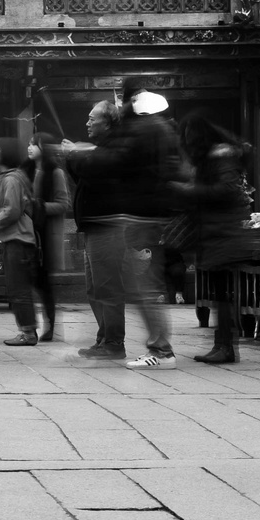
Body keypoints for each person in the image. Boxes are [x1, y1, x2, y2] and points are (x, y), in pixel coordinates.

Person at [62, 96, 179, 365]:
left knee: (115, 288)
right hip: (99, 227)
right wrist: (75, 156)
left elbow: (96, 172)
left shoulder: (117, 148)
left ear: (110, 123)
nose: (87, 122)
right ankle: (107, 338)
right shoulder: (107, 148)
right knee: (96, 288)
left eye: (93, 118)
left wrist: (75, 155)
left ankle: (123, 343)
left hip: (110, 226)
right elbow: (85, 177)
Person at [172, 117, 253, 365]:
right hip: (216, 231)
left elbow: (227, 190)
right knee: (220, 292)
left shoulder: (221, 157)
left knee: (223, 292)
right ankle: (222, 344)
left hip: (224, 231)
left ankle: (226, 346)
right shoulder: (214, 157)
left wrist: (187, 190)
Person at [0, 138, 40, 346]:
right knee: (17, 287)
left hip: (18, 239)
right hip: (16, 239)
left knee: (18, 288)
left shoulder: (11, 179)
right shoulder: (8, 177)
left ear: (6, 154)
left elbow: (11, 211)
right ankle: (27, 330)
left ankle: (28, 333)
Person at [26, 131, 70, 341]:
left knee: (44, 282)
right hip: (32, 233)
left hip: (47, 236)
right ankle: (38, 325)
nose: (29, 147)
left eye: (34, 144)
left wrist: (39, 206)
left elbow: (63, 204)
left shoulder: (55, 173)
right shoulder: (29, 171)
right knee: (37, 281)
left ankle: (50, 325)